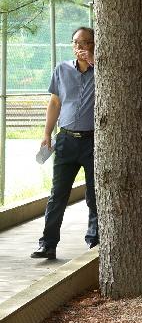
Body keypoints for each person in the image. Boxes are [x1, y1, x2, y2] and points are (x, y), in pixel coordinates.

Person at [31, 27, 98, 260]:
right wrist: (47, 133)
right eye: (77, 42)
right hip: (66, 140)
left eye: (87, 42)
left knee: (95, 194)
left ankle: (95, 241)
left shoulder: (103, 71)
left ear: (94, 44)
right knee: (57, 194)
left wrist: (94, 62)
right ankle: (47, 244)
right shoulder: (62, 69)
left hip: (93, 142)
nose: (81, 46)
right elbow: (55, 103)